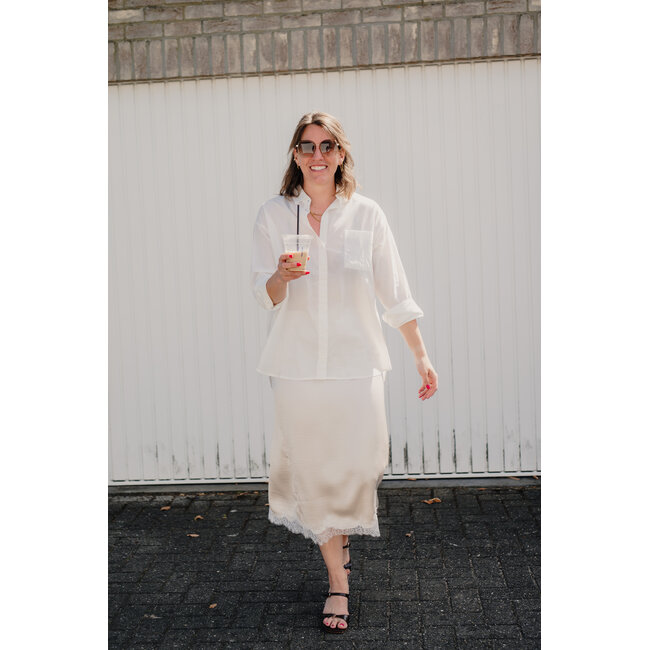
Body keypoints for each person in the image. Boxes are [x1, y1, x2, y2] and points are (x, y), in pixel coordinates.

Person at [250, 112, 438, 634]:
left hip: (358, 364)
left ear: (340, 154)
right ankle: (338, 579)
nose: (318, 155)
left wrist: (421, 355)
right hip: (296, 367)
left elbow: (394, 291)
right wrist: (281, 276)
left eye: (327, 146)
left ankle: (341, 537)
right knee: (314, 470)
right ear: (295, 155)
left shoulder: (367, 214)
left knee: (360, 465)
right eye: (308, 146)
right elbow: (264, 295)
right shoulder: (273, 215)